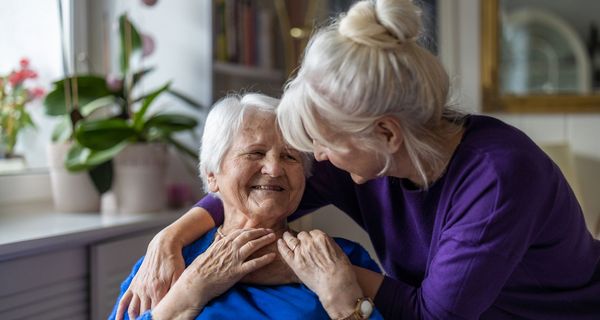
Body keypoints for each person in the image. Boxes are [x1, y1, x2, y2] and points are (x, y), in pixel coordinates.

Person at [119, 0, 600, 319]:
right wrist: (171, 237)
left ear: (386, 133)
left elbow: (432, 316)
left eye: (320, 143)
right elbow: (256, 188)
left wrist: (324, 279)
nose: (314, 159)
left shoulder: (498, 177)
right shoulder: (364, 158)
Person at [110, 93, 383, 320]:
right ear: (212, 175)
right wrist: (190, 291)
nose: (275, 169)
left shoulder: (339, 258)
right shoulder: (169, 263)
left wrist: (343, 299)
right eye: (255, 153)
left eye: (290, 157)